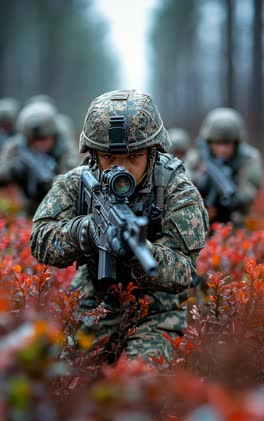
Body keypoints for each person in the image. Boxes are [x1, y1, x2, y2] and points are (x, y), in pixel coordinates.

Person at [30, 89, 208, 364]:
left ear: (153, 151)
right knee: (63, 371)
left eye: (134, 157)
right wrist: (83, 232)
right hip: (92, 298)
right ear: (92, 155)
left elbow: (185, 271)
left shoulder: (176, 189)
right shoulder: (77, 183)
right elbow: (40, 240)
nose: (121, 169)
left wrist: (140, 253)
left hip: (156, 308)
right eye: (109, 159)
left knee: (138, 378)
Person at [184, 108, 262, 226]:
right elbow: (183, 184)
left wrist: (233, 190)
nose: (223, 149)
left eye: (227, 143)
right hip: (199, 219)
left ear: (236, 143)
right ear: (209, 142)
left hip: (235, 218)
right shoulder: (197, 156)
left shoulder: (248, 158)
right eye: (217, 143)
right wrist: (199, 179)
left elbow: (248, 195)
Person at [0, 101, 80, 216]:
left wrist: (51, 182)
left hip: (59, 210)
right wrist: (13, 169)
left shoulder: (64, 149)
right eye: (33, 140)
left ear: (54, 135)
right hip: (28, 207)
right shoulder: (17, 147)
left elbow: (73, 185)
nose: (38, 145)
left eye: (44, 139)